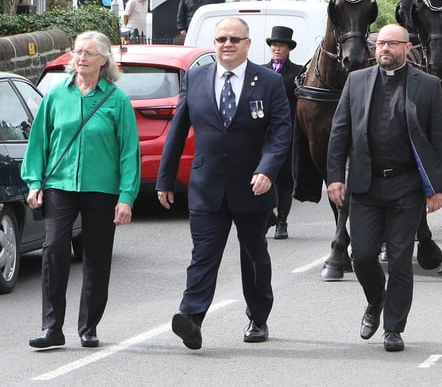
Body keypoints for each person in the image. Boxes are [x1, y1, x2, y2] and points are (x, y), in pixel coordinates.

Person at [156, 17, 292, 350]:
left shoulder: (270, 81)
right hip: (207, 184)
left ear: (247, 43)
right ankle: (191, 319)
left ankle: (258, 317)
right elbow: (178, 129)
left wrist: (267, 169)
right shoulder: (196, 76)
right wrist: (165, 177)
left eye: (234, 39)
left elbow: (280, 132)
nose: (227, 44)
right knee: (203, 254)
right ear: (214, 44)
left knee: (254, 255)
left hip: (252, 185)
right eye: (220, 39)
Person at [326, 24, 442, 352]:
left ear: (408, 48)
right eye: (380, 43)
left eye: (392, 44)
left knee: (399, 260)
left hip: (406, 187)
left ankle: (394, 328)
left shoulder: (428, 86)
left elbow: (439, 139)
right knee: (363, 256)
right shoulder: (356, 82)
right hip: (365, 186)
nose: (385, 49)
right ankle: (374, 301)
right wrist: (335, 176)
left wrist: (437, 187)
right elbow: (339, 132)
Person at [23, 31, 141, 349]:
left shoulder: (116, 100)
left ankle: (89, 327)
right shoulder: (56, 96)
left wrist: (126, 197)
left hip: (102, 190)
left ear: (104, 60)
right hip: (60, 185)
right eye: (77, 52)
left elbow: (129, 152)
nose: (81, 58)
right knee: (54, 250)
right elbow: (39, 143)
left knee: (97, 258)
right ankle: (52, 327)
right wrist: (35, 182)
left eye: (89, 53)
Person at [265, 26, 303, 239]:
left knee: (285, 179)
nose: (277, 49)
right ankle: (268, 214)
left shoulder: (297, 72)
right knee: (264, 174)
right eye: (274, 45)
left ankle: (282, 220)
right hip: (263, 133)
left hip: (286, 131)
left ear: (288, 49)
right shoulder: (261, 70)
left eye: (281, 45)